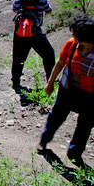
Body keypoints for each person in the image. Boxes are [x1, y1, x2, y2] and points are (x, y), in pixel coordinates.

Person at [38, 16, 94, 167]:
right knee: (56, 116)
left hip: (90, 97)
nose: (72, 35)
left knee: (85, 125)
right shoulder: (71, 45)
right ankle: (44, 140)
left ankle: (75, 153)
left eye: (75, 33)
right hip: (67, 91)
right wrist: (50, 83)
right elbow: (60, 63)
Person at [11, 0, 55, 88]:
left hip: (20, 34)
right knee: (49, 55)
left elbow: (15, 10)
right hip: (36, 34)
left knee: (18, 58)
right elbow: (49, 11)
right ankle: (50, 80)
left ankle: (16, 82)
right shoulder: (42, 1)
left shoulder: (18, 0)